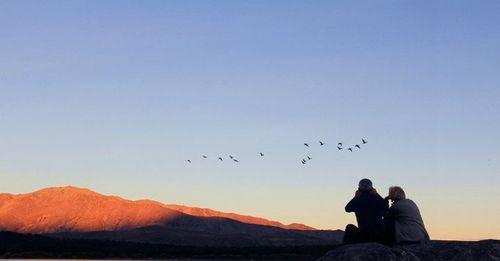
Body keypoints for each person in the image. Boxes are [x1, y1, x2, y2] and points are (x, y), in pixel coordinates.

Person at [343, 178, 389, 244]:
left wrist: (355, 197)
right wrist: (377, 195)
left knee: (349, 227)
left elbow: (347, 209)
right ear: (372, 189)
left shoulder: (358, 200)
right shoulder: (377, 199)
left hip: (364, 234)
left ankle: (346, 250)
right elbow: (386, 207)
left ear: (359, 189)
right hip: (379, 234)